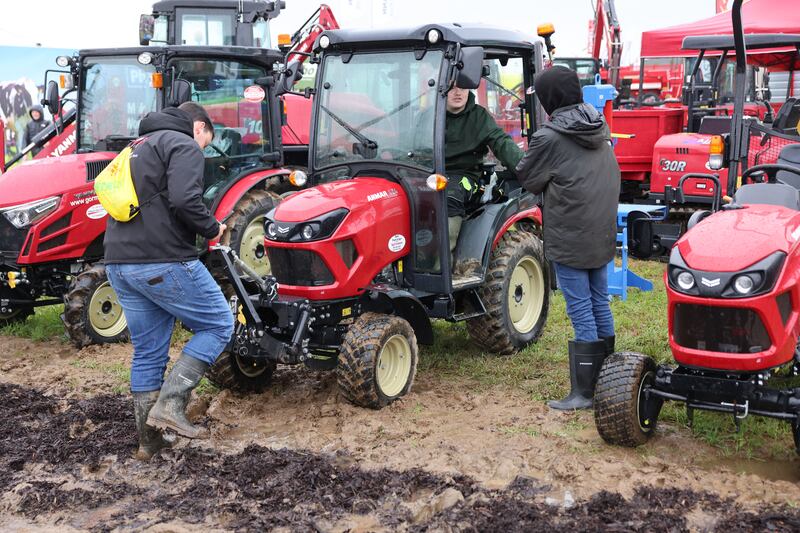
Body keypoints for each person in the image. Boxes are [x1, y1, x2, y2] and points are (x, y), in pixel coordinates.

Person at [104, 101, 234, 459]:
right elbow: (184, 199)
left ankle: (150, 441)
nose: (202, 149)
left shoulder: (135, 147)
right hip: (162, 259)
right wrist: (213, 228)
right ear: (199, 127)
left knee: (148, 351)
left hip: (118, 263)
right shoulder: (183, 144)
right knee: (219, 324)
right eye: (206, 141)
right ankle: (172, 405)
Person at [515, 66, 620, 411]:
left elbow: (528, 178)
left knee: (580, 308)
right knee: (599, 300)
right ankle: (610, 378)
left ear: (549, 99)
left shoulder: (548, 137)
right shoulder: (596, 124)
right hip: (600, 230)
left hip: (571, 233)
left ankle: (585, 392)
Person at [445, 84, 524, 254]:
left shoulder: (479, 117)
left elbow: (501, 142)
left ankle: (442, 266)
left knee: (449, 196)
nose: (458, 92)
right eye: (451, 88)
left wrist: (527, 168)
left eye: (462, 87)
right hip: (428, 173)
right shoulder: (429, 116)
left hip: (464, 175)